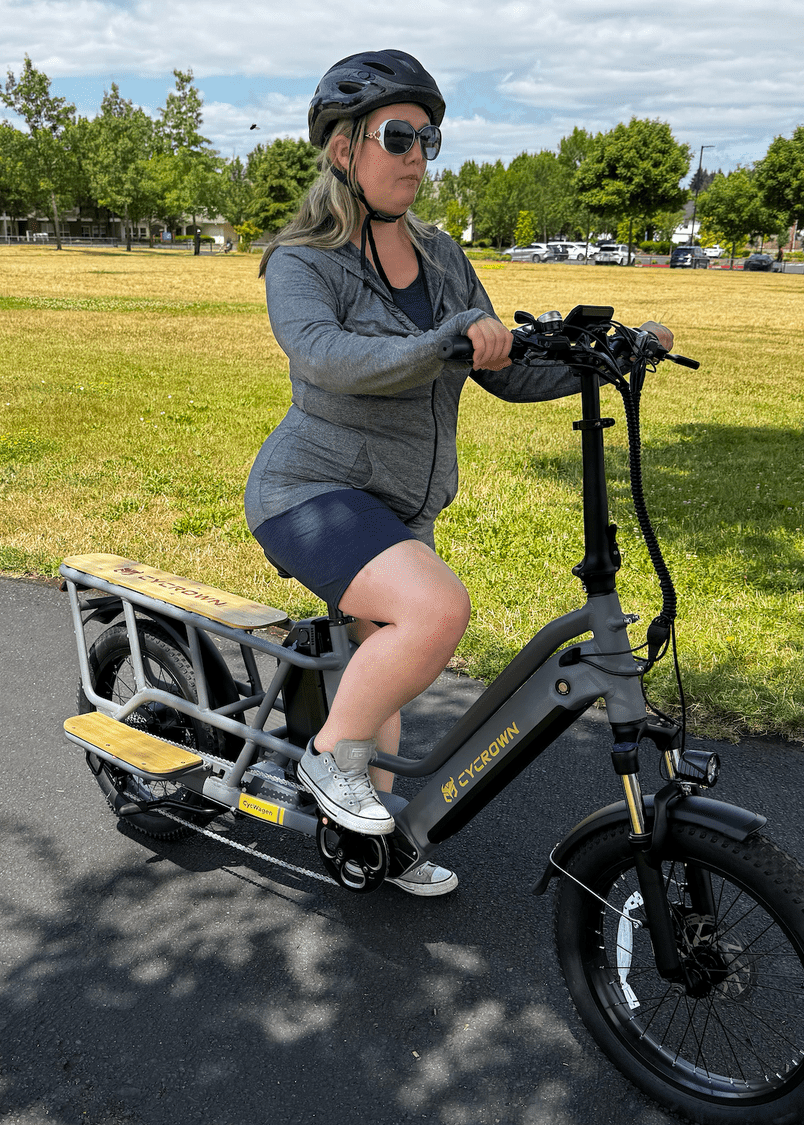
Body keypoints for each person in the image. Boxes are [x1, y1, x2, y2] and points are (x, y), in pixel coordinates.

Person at [247, 50, 661, 895]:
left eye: (428, 138)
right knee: (434, 610)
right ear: (342, 150)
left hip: (402, 503)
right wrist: (439, 344)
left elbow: (501, 370)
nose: (417, 156)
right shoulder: (301, 261)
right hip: (311, 493)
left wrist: (601, 361)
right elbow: (326, 358)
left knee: (383, 656)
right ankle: (330, 762)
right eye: (398, 136)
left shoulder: (440, 258)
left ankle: (378, 843)